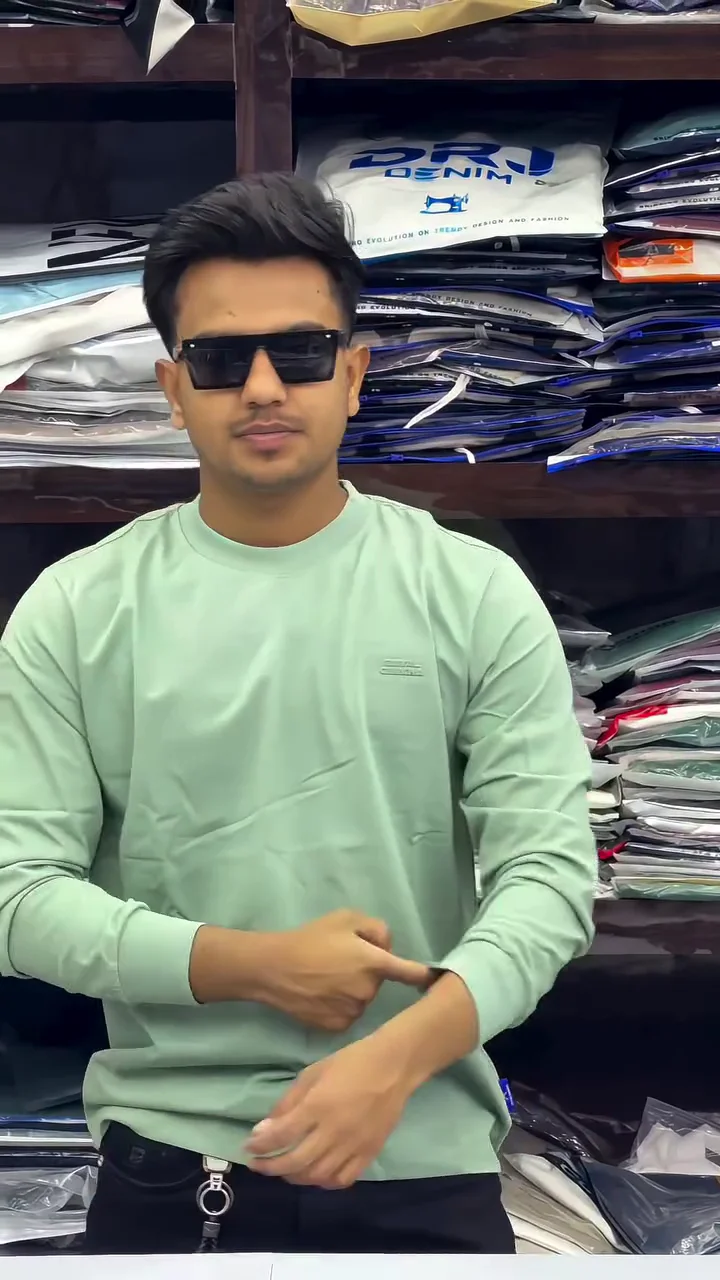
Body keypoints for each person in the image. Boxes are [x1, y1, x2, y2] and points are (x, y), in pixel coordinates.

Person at [0, 174, 596, 1256]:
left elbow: (549, 881)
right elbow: (17, 897)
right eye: (222, 360)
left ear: (355, 374)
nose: (265, 387)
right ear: (172, 388)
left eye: (304, 352)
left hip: (425, 1171)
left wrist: (399, 1057)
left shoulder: (472, 592)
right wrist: (251, 963)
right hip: (174, 1179)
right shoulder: (77, 610)